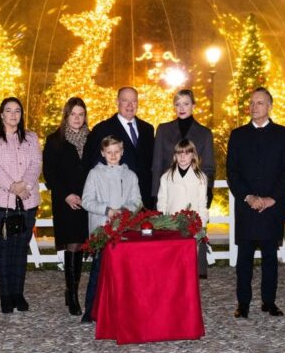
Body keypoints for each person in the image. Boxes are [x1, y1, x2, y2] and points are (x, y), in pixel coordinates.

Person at [226, 87, 285, 318]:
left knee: (269, 258)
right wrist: (249, 197)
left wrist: (270, 198)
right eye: (252, 103)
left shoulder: (283, 134)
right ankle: (243, 303)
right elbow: (232, 172)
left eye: (260, 103)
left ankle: (269, 302)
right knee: (244, 259)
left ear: (270, 106)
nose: (254, 107)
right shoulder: (237, 135)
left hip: (272, 207)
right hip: (247, 206)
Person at [0, 97, 42, 314]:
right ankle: (5, 295)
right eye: (9, 111)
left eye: (17, 111)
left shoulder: (31, 138)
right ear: (1, 114)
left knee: (20, 249)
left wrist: (23, 185)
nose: (13, 115)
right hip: (1, 203)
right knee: (5, 249)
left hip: (27, 201)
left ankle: (18, 293)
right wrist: (12, 186)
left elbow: (36, 164)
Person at [152, 89, 215, 276]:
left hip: (194, 194)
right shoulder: (163, 130)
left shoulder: (204, 133)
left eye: (186, 103)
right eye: (178, 104)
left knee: (193, 254)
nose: (182, 108)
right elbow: (157, 164)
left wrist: (207, 192)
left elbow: (209, 166)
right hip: (169, 193)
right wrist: (155, 196)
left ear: (194, 106)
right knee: (170, 258)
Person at [79, 135, 142, 324]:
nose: (113, 155)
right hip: (102, 229)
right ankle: (91, 310)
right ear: (102, 153)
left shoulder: (130, 175)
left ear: (122, 152)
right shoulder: (94, 174)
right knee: (98, 271)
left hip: (123, 229)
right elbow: (87, 201)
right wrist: (107, 210)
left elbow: (137, 201)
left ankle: (122, 310)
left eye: (116, 152)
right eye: (109, 152)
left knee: (123, 272)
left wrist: (124, 210)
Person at [42, 97, 91, 316]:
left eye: (81, 114)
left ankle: (72, 289)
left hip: (87, 200)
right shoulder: (54, 140)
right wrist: (66, 195)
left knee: (80, 244)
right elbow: (49, 174)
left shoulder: (92, 139)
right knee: (71, 243)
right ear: (66, 115)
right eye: (73, 114)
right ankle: (72, 294)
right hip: (65, 201)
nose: (77, 118)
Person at [85, 86, 155, 209]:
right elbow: (92, 162)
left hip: (145, 200)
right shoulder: (102, 129)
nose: (130, 105)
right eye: (125, 101)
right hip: (114, 202)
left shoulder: (147, 129)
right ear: (117, 102)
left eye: (133, 101)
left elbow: (152, 163)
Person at [157, 139, 210, 276]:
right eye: (179, 153)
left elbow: (202, 203)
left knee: (190, 263)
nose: (183, 157)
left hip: (192, 225)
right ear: (174, 156)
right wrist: (162, 223)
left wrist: (201, 226)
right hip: (171, 225)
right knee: (173, 262)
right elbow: (162, 202)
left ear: (193, 155)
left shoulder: (201, 178)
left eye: (187, 153)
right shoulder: (166, 177)